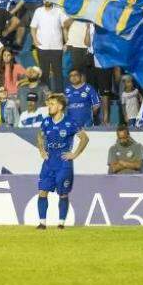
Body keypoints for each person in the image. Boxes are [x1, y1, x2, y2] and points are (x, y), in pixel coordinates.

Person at [36, 93, 89, 230]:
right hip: (48, 162)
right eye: (49, 104)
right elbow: (40, 136)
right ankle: (42, 223)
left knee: (63, 193)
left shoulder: (70, 122)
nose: (49, 106)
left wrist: (74, 154)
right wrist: (42, 150)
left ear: (60, 107)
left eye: (52, 104)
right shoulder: (46, 122)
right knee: (42, 191)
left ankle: (61, 223)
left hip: (63, 163)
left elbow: (84, 138)